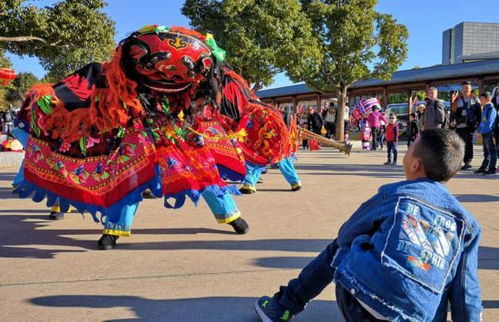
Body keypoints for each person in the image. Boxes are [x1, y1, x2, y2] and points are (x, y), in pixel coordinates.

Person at [15, 26, 289, 249]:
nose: (167, 74)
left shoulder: (198, 82)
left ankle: (230, 215)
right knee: (130, 175)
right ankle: (115, 229)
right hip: (139, 128)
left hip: (178, 128)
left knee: (202, 170)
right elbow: (92, 93)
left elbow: (227, 91)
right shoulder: (119, 76)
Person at [255, 129, 482, 322]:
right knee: (440, 276)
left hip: (362, 306)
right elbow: (466, 290)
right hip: (416, 317)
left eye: (410, 146)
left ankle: (283, 307)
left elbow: (346, 235)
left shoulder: (396, 194)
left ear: (415, 164)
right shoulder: (468, 224)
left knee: (343, 246)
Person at [450, 82, 481, 170]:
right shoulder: (457, 100)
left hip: (470, 125)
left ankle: (468, 162)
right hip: (460, 126)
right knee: (459, 144)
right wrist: (452, 121)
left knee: (468, 144)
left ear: (471, 89)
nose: (465, 89)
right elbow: (453, 113)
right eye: (464, 88)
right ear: (461, 89)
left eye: (467, 88)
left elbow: (479, 114)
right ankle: (459, 161)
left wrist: (478, 126)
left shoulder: (475, 99)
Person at [475, 92, 497, 175]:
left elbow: (489, 124)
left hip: (489, 133)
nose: (480, 101)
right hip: (484, 133)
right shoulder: (485, 108)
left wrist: (481, 132)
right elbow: (482, 122)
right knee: (486, 152)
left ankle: (492, 169)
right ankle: (484, 167)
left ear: (488, 99)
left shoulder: (491, 109)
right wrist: (479, 130)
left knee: (491, 152)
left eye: (482, 99)